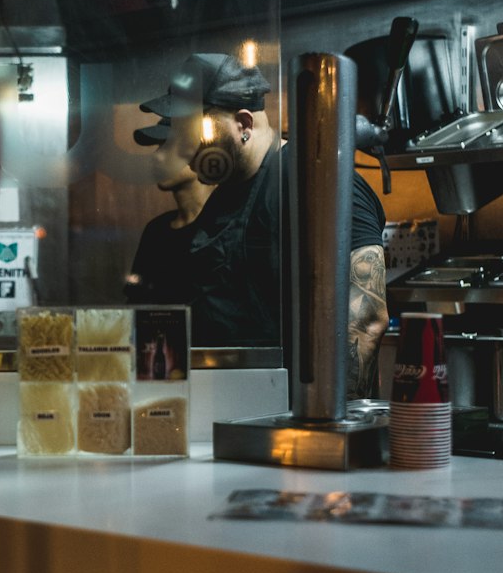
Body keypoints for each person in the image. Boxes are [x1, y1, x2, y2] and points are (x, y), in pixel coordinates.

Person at [125, 53, 389, 398]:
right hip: (235, 412)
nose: (185, 147)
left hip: (300, 416)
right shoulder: (223, 197)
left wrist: (331, 419)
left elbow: (366, 317)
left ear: (244, 124)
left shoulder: (312, 179)